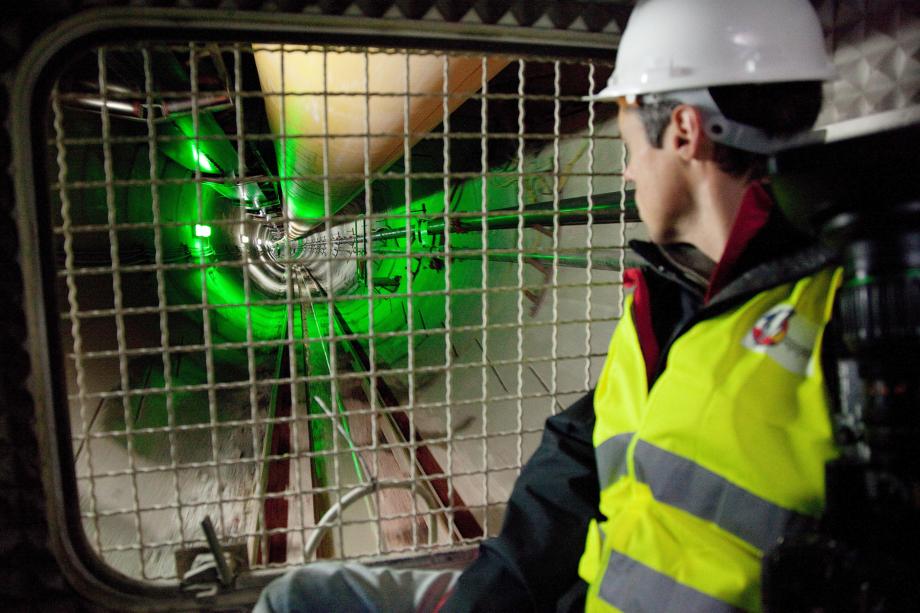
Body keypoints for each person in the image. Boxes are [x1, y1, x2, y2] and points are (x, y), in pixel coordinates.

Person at [256, 0, 839, 610]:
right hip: (577, 595)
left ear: (685, 131)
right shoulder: (676, 298)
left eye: (628, 127)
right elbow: (575, 455)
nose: (630, 167)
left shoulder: (837, 318)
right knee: (298, 599)